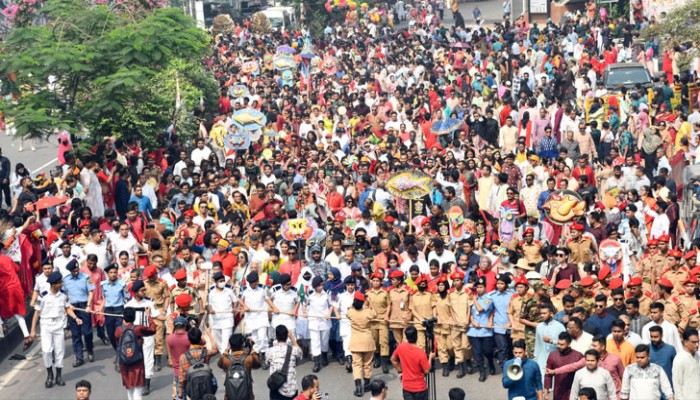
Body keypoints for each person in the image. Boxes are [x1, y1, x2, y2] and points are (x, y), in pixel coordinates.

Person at [29, 271, 83, 388]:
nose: (61, 284)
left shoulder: (63, 295)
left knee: (59, 351)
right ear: (53, 284)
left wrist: (76, 318)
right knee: (47, 350)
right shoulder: (43, 296)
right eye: (59, 283)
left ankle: (59, 376)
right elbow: (36, 313)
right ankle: (49, 374)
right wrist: (33, 330)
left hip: (59, 325)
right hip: (46, 324)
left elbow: (68, 308)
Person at [124, 279, 162, 395]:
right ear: (135, 292)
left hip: (147, 335)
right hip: (133, 336)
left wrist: (171, 317)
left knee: (148, 358)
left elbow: (157, 315)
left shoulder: (149, 303)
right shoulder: (128, 305)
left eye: (145, 289)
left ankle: (147, 383)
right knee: (134, 359)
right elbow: (125, 322)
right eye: (142, 290)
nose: (145, 292)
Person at [116, 306, 156, 400]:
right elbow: (153, 329)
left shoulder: (118, 330)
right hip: (137, 363)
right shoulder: (138, 329)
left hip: (124, 363)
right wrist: (148, 316)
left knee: (129, 390)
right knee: (138, 392)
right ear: (134, 317)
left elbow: (118, 344)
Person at [62, 258, 95, 367]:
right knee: (75, 335)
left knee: (87, 332)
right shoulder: (66, 280)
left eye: (77, 270)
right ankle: (79, 357)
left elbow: (91, 292)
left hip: (84, 306)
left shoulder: (86, 277)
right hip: (72, 308)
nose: (76, 272)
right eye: (74, 271)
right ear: (70, 271)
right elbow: (63, 295)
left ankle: (90, 350)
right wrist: (67, 305)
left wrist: (88, 305)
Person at [391, 325, 433, 400]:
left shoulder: (401, 347)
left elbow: (393, 360)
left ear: (406, 337)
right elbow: (426, 370)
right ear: (417, 336)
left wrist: (400, 371)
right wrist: (430, 358)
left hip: (407, 387)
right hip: (420, 388)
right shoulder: (420, 353)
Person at [347, 290, 376, 396]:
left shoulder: (351, 312)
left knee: (357, 365)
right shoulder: (368, 312)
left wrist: (353, 302)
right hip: (367, 341)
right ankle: (367, 384)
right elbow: (375, 313)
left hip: (355, 342)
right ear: (363, 302)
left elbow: (348, 310)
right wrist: (370, 301)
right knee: (367, 364)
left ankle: (358, 387)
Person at [240, 271, 270, 368]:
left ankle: (263, 357)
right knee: (255, 339)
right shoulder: (244, 289)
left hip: (262, 316)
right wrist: (244, 306)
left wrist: (273, 308)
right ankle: (255, 356)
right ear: (249, 282)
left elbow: (267, 299)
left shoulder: (262, 289)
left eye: (257, 281)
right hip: (251, 318)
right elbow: (238, 299)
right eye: (253, 282)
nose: (256, 284)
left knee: (263, 338)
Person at [304, 275, 334, 372]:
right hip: (314, 321)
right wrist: (304, 313)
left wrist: (329, 314)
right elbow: (303, 304)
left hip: (325, 321)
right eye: (319, 285)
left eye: (322, 285)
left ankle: (324, 356)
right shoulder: (310, 295)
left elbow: (332, 305)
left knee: (324, 341)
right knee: (315, 341)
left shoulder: (326, 294)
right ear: (315, 286)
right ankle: (317, 362)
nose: (321, 287)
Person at [217, 333, 261, 400]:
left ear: (230, 345)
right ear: (242, 345)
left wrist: (227, 349)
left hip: (230, 395)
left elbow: (219, 364)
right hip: (247, 395)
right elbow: (258, 364)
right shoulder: (249, 359)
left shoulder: (225, 359)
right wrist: (251, 348)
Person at [544, 332, 583, 400]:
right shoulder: (553, 355)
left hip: (574, 392)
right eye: (558, 343)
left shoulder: (578, 356)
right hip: (558, 392)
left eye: (562, 344)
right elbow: (548, 374)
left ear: (569, 344)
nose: (559, 346)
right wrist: (546, 392)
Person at [268, 325, 303, 400]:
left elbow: (267, 363)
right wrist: (292, 338)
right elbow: (301, 352)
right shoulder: (294, 350)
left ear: (276, 336)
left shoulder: (270, 351)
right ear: (287, 336)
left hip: (276, 387)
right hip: (292, 389)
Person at [208, 271, 238, 355]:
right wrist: (211, 310)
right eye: (220, 281)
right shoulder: (211, 293)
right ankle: (223, 352)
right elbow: (210, 304)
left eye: (223, 280)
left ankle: (225, 354)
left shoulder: (229, 291)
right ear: (216, 282)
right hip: (216, 319)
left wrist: (234, 308)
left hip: (227, 318)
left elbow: (235, 301)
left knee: (226, 338)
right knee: (217, 338)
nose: (222, 282)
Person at [671, 328, 700, 400]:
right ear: (685, 342)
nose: (697, 345)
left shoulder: (697, 356)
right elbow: (677, 385)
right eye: (693, 342)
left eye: (698, 342)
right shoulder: (679, 359)